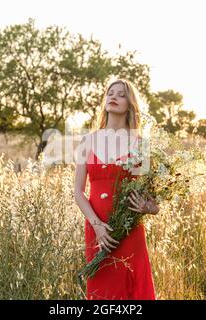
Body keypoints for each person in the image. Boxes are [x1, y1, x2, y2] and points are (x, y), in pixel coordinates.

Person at [74, 79, 160, 300]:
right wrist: (98, 227)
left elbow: (152, 198)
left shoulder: (141, 144)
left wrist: (148, 207)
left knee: (134, 288)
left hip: (129, 228)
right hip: (98, 229)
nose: (113, 97)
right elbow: (78, 192)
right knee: (102, 290)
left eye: (121, 94)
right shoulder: (88, 140)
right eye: (110, 93)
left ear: (130, 103)